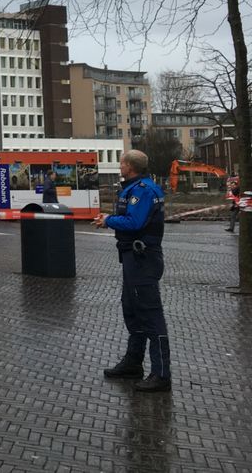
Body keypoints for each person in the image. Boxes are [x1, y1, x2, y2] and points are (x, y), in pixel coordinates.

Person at [92, 149, 171, 392]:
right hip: (132, 256)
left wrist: (108, 220)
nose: (119, 166)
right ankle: (133, 363)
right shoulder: (135, 187)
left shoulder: (143, 191)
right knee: (132, 309)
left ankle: (161, 374)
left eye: (122, 162)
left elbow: (135, 223)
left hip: (142, 257)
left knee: (150, 313)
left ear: (130, 166)